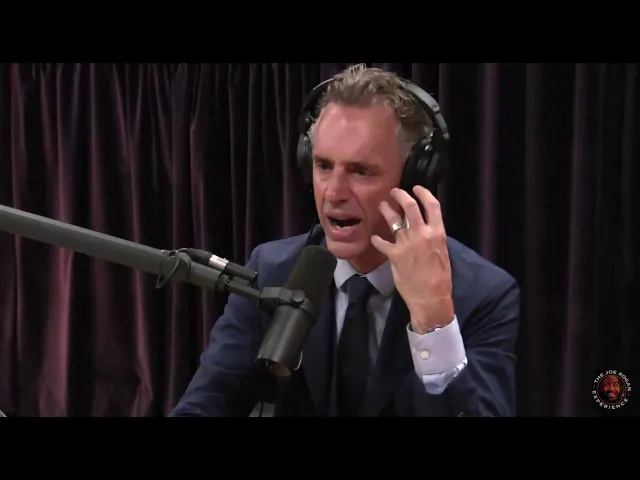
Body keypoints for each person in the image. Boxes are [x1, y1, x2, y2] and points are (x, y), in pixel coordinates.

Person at [170, 64, 520, 417]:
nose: (333, 192)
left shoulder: (481, 293)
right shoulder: (273, 271)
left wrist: (434, 321)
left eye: (361, 171)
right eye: (323, 166)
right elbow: (204, 405)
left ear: (415, 177)